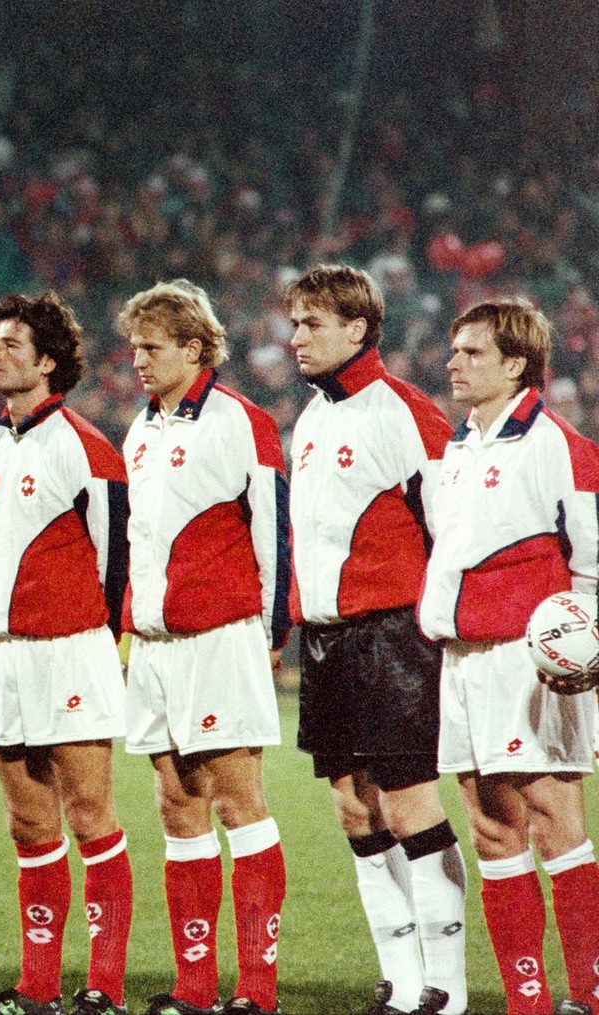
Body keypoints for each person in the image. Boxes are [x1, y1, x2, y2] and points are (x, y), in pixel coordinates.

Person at [284, 265, 467, 1015]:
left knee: (410, 807)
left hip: (395, 637)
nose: (296, 337)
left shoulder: (408, 413)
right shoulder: (311, 417)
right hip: (325, 643)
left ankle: (447, 989)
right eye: (294, 323)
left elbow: (451, 532)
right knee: (355, 811)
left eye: (312, 324)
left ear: (358, 328)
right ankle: (398, 982)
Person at [419, 298, 599, 1015]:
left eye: (471, 353)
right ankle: (525, 1001)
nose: (453, 363)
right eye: (455, 351)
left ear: (516, 363)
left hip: (531, 660)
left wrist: (581, 644)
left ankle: (586, 993)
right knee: (490, 820)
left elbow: (591, 560)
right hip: (461, 658)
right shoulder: (460, 445)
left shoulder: (557, 442)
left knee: (554, 811)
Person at [117, 281, 289, 1015]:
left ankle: (256, 989)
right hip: (154, 648)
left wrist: (270, 636)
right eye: (134, 348)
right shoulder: (141, 428)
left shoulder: (241, 423)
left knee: (237, 803)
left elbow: (272, 538)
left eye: (151, 347)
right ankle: (193, 987)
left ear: (193, 347)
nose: (138, 361)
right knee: (177, 807)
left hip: (220, 639)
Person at [0, 293, 133, 1015]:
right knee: (29, 824)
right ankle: (38, 984)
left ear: (47, 361)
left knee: (91, 814)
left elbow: (116, 558)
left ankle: (104, 983)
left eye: (10, 342)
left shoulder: (85, 446)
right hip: (6, 658)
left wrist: (89, 629)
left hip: (70, 650)